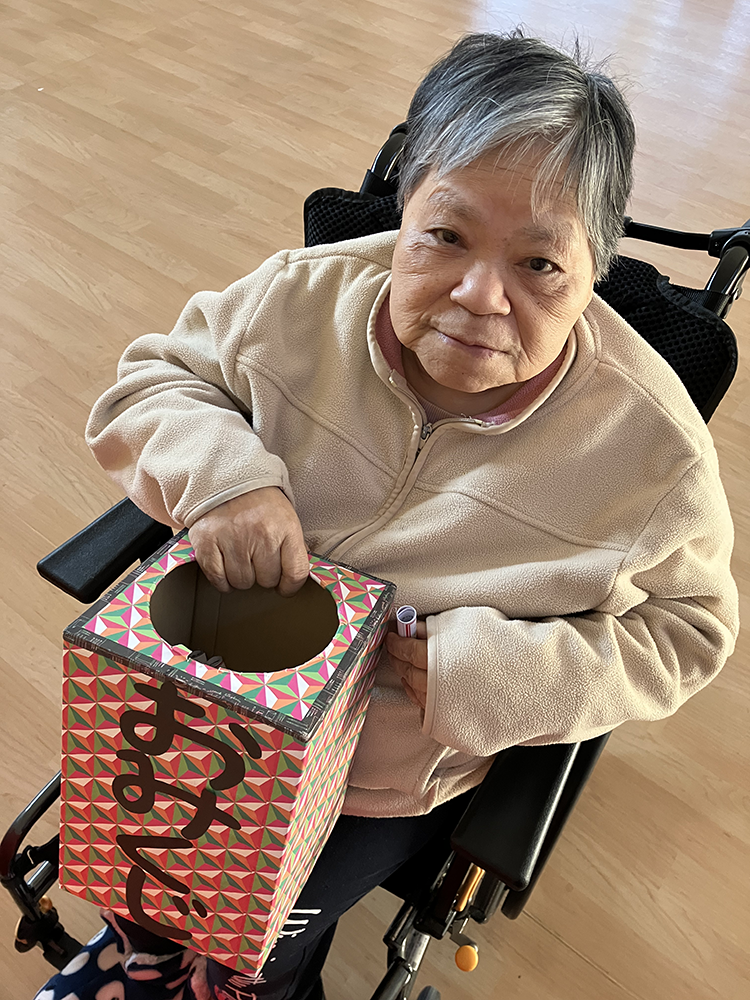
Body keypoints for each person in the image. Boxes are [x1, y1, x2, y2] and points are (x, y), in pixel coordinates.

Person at [35, 29, 738, 1000]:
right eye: (446, 235)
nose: (479, 296)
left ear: (596, 268)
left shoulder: (650, 452)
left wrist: (492, 673)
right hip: (209, 697)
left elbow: (690, 632)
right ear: (404, 210)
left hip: (384, 773)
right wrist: (225, 479)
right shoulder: (301, 297)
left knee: (254, 945)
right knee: (144, 874)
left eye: (540, 263)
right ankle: (148, 951)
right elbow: (153, 379)